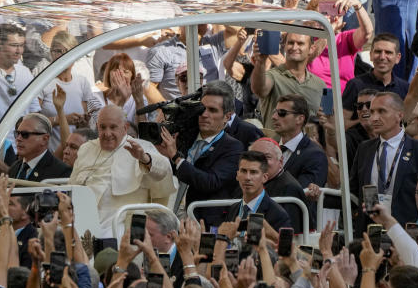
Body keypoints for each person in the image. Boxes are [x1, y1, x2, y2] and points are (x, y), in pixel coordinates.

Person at [70, 105, 175, 237]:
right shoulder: (86, 148)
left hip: (122, 220)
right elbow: (72, 187)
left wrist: (144, 158)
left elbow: (163, 170)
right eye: (102, 127)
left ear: (125, 128)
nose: (107, 133)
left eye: (113, 127)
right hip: (84, 216)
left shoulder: (140, 147)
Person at [157, 83, 243, 228]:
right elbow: (175, 171)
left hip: (203, 222)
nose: (204, 114)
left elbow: (210, 182)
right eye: (202, 109)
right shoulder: (185, 137)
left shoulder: (233, 147)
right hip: (171, 213)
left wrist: (175, 157)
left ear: (227, 117)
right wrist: (158, 157)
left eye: (212, 110)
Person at [349, 92, 418, 226]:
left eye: (381, 111)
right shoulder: (364, 149)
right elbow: (353, 189)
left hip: (406, 231)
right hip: (369, 231)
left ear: (399, 115)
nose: (374, 118)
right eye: (372, 112)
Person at [251, 33, 326, 129]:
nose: (294, 47)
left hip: (308, 143)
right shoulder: (273, 75)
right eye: (290, 43)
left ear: (311, 49)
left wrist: (324, 119)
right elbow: (259, 90)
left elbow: (328, 118)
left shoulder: (320, 85)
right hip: (277, 143)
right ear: (284, 46)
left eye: (300, 43)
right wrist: (260, 62)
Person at [342, 34, 410, 123]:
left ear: (397, 58)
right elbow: (341, 126)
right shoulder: (355, 85)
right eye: (378, 52)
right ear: (371, 55)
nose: (382, 57)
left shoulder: (405, 88)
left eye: (388, 53)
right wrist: (364, 122)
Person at [248, 138, 310, 233]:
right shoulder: (247, 183)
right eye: (255, 157)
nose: (260, 163)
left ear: (280, 162)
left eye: (267, 157)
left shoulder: (289, 188)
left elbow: (289, 236)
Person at [271, 94, 327, 191]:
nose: (274, 117)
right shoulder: (269, 148)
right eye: (275, 112)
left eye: (282, 113)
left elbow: (300, 194)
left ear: (300, 119)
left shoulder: (314, 154)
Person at [224, 151, 292, 231]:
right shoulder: (233, 209)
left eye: (253, 172)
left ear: (265, 177)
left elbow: (283, 243)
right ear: (237, 175)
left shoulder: (278, 214)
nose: (247, 177)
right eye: (243, 171)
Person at [9, 113, 72, 181]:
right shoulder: (15, 167)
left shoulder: (61, 171)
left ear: (44, 139)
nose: (18, 138)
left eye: (25, 134)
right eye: (17, 133)